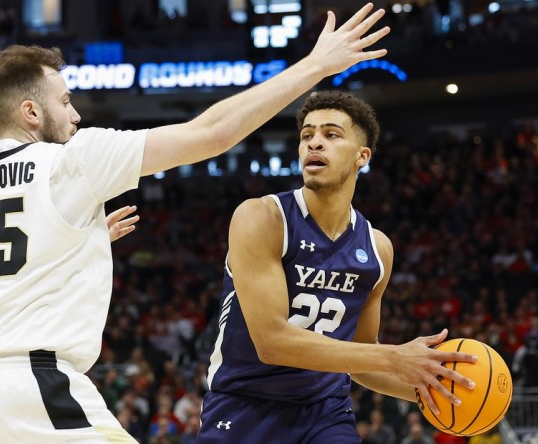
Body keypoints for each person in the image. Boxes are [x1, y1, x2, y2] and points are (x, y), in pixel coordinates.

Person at [0, 3, 392, 442]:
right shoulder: (72, 159)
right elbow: (212, 133)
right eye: (66, 101)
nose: (75, 115)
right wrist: (314, 66)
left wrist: (79, 241)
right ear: (31, 112)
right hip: (31, 390)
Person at [198, 89, 479, 443]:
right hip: (244, 406)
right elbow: (271, 343)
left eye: (331, 134)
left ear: (363, 156)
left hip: (325, 413)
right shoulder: (262, 217)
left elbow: (362, 359)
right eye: (307, 135)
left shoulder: (377, 249)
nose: (314, 143)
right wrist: (394, 357)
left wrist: (435, 391)